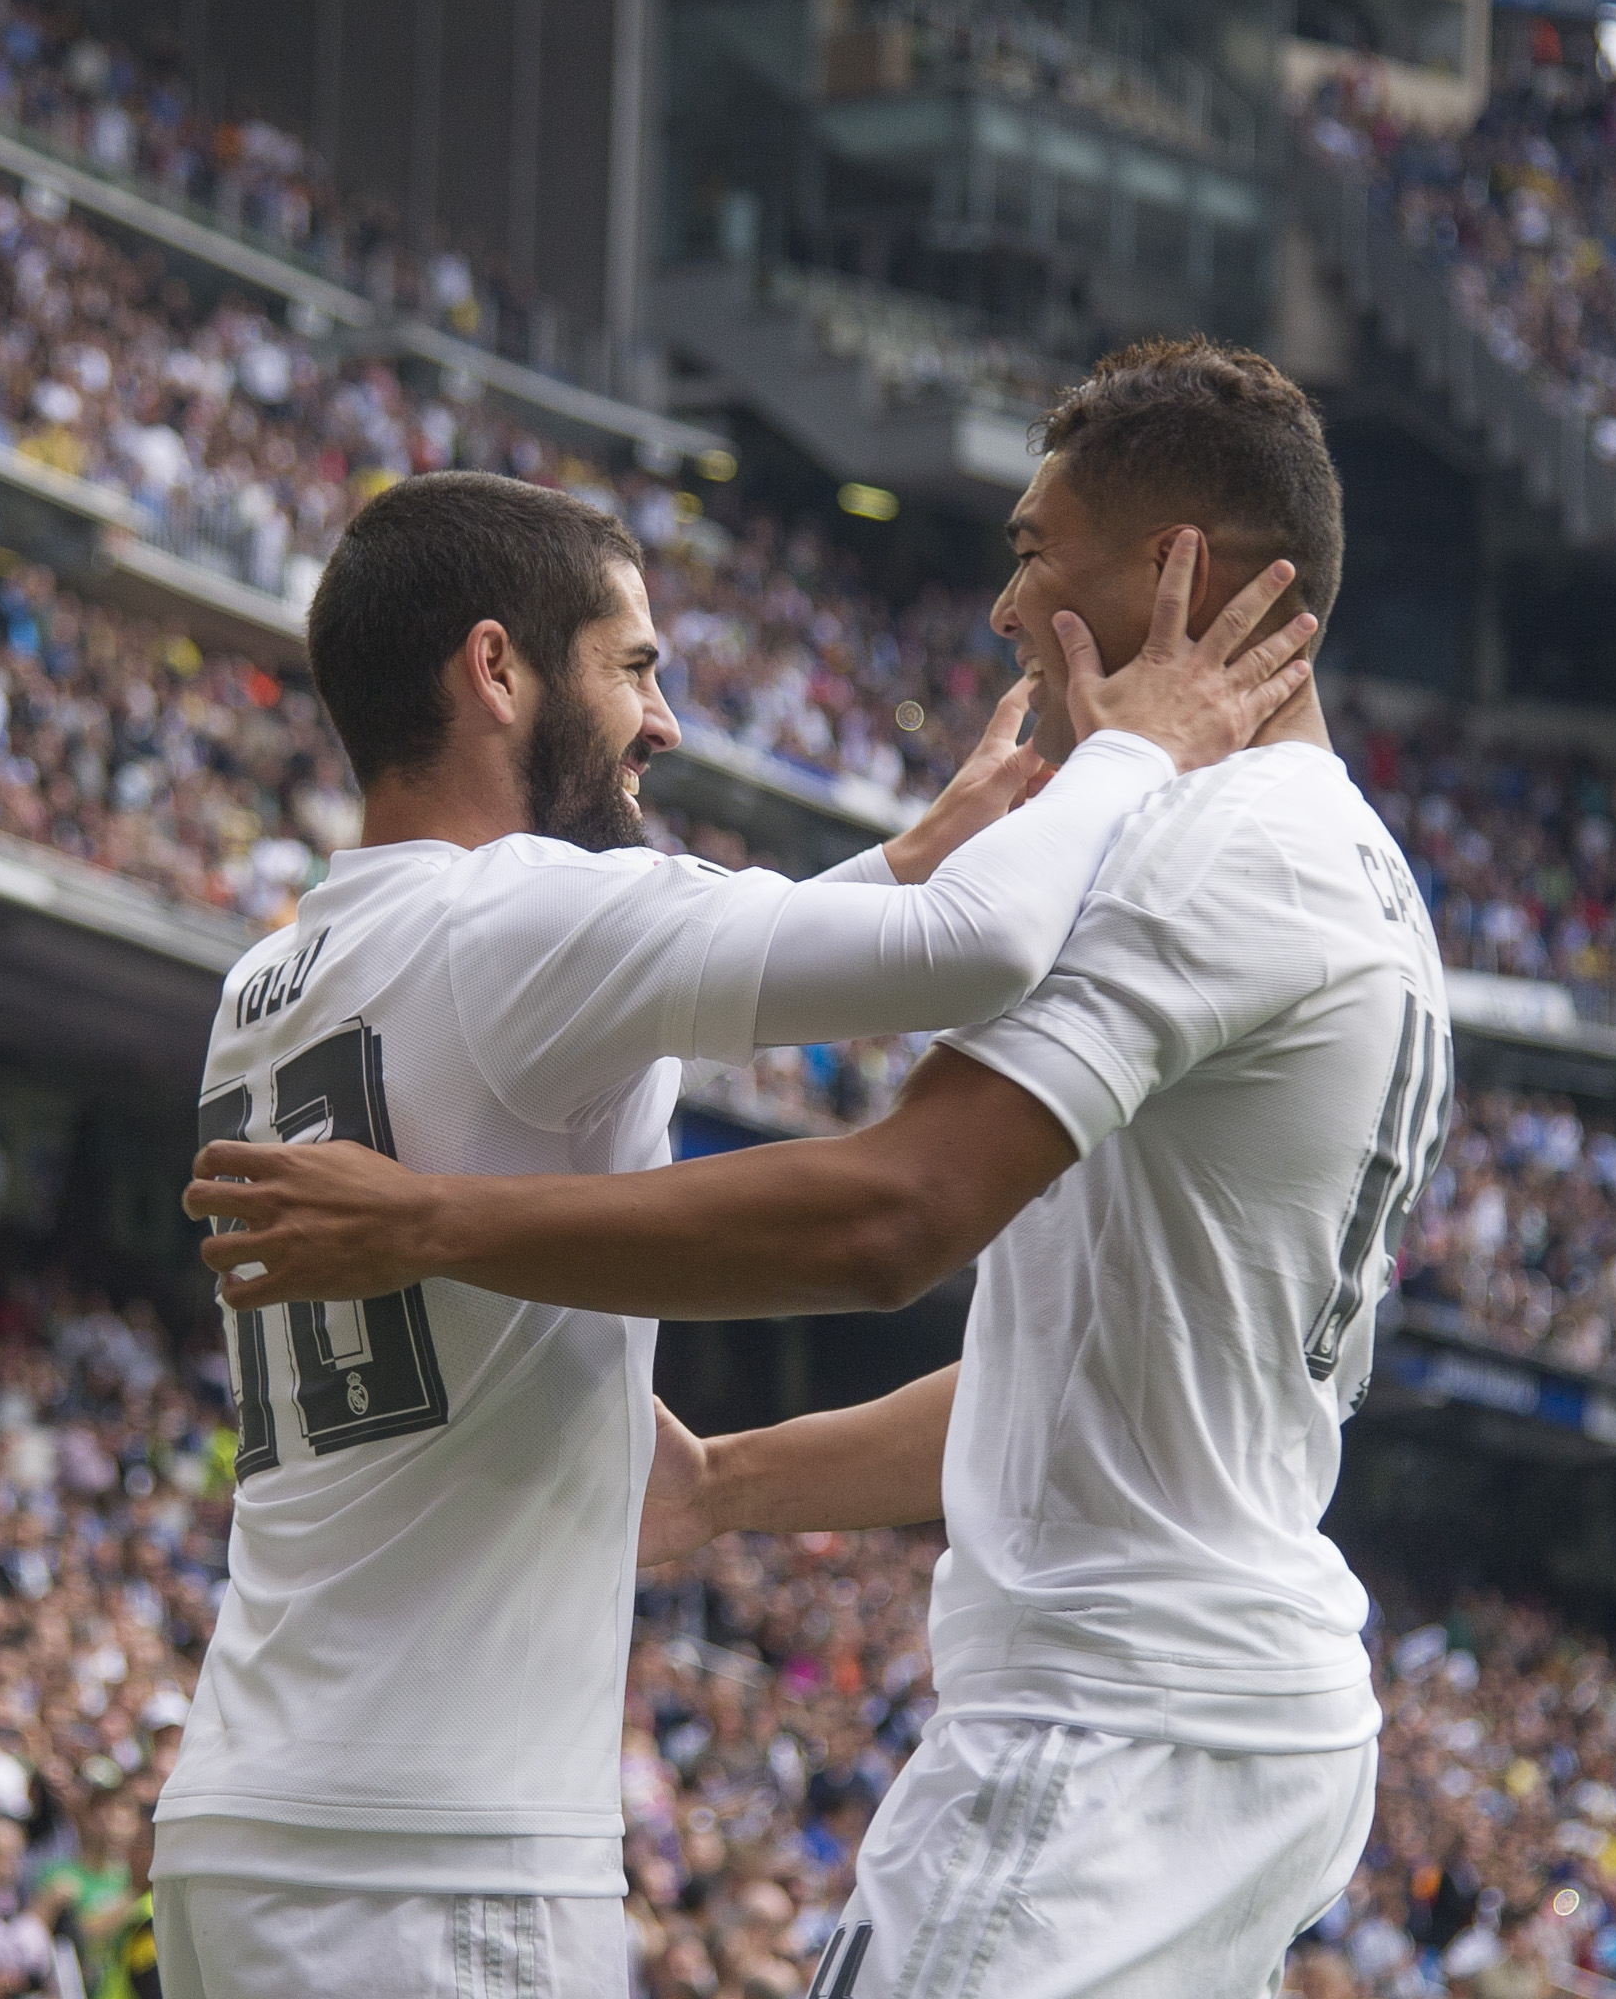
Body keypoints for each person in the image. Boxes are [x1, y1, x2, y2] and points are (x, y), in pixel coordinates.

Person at [186, 342, 1451, 1996]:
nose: (999, 613)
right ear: (495, 674)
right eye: (633, 665)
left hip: (1112, 1721)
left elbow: (890, 1211)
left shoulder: (276, 969)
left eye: (1024, 553)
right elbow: (1078, 1365)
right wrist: (733, 1488)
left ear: (1174, 576)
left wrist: (428, 1222)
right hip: (1180, 1717)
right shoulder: (1346, 866)